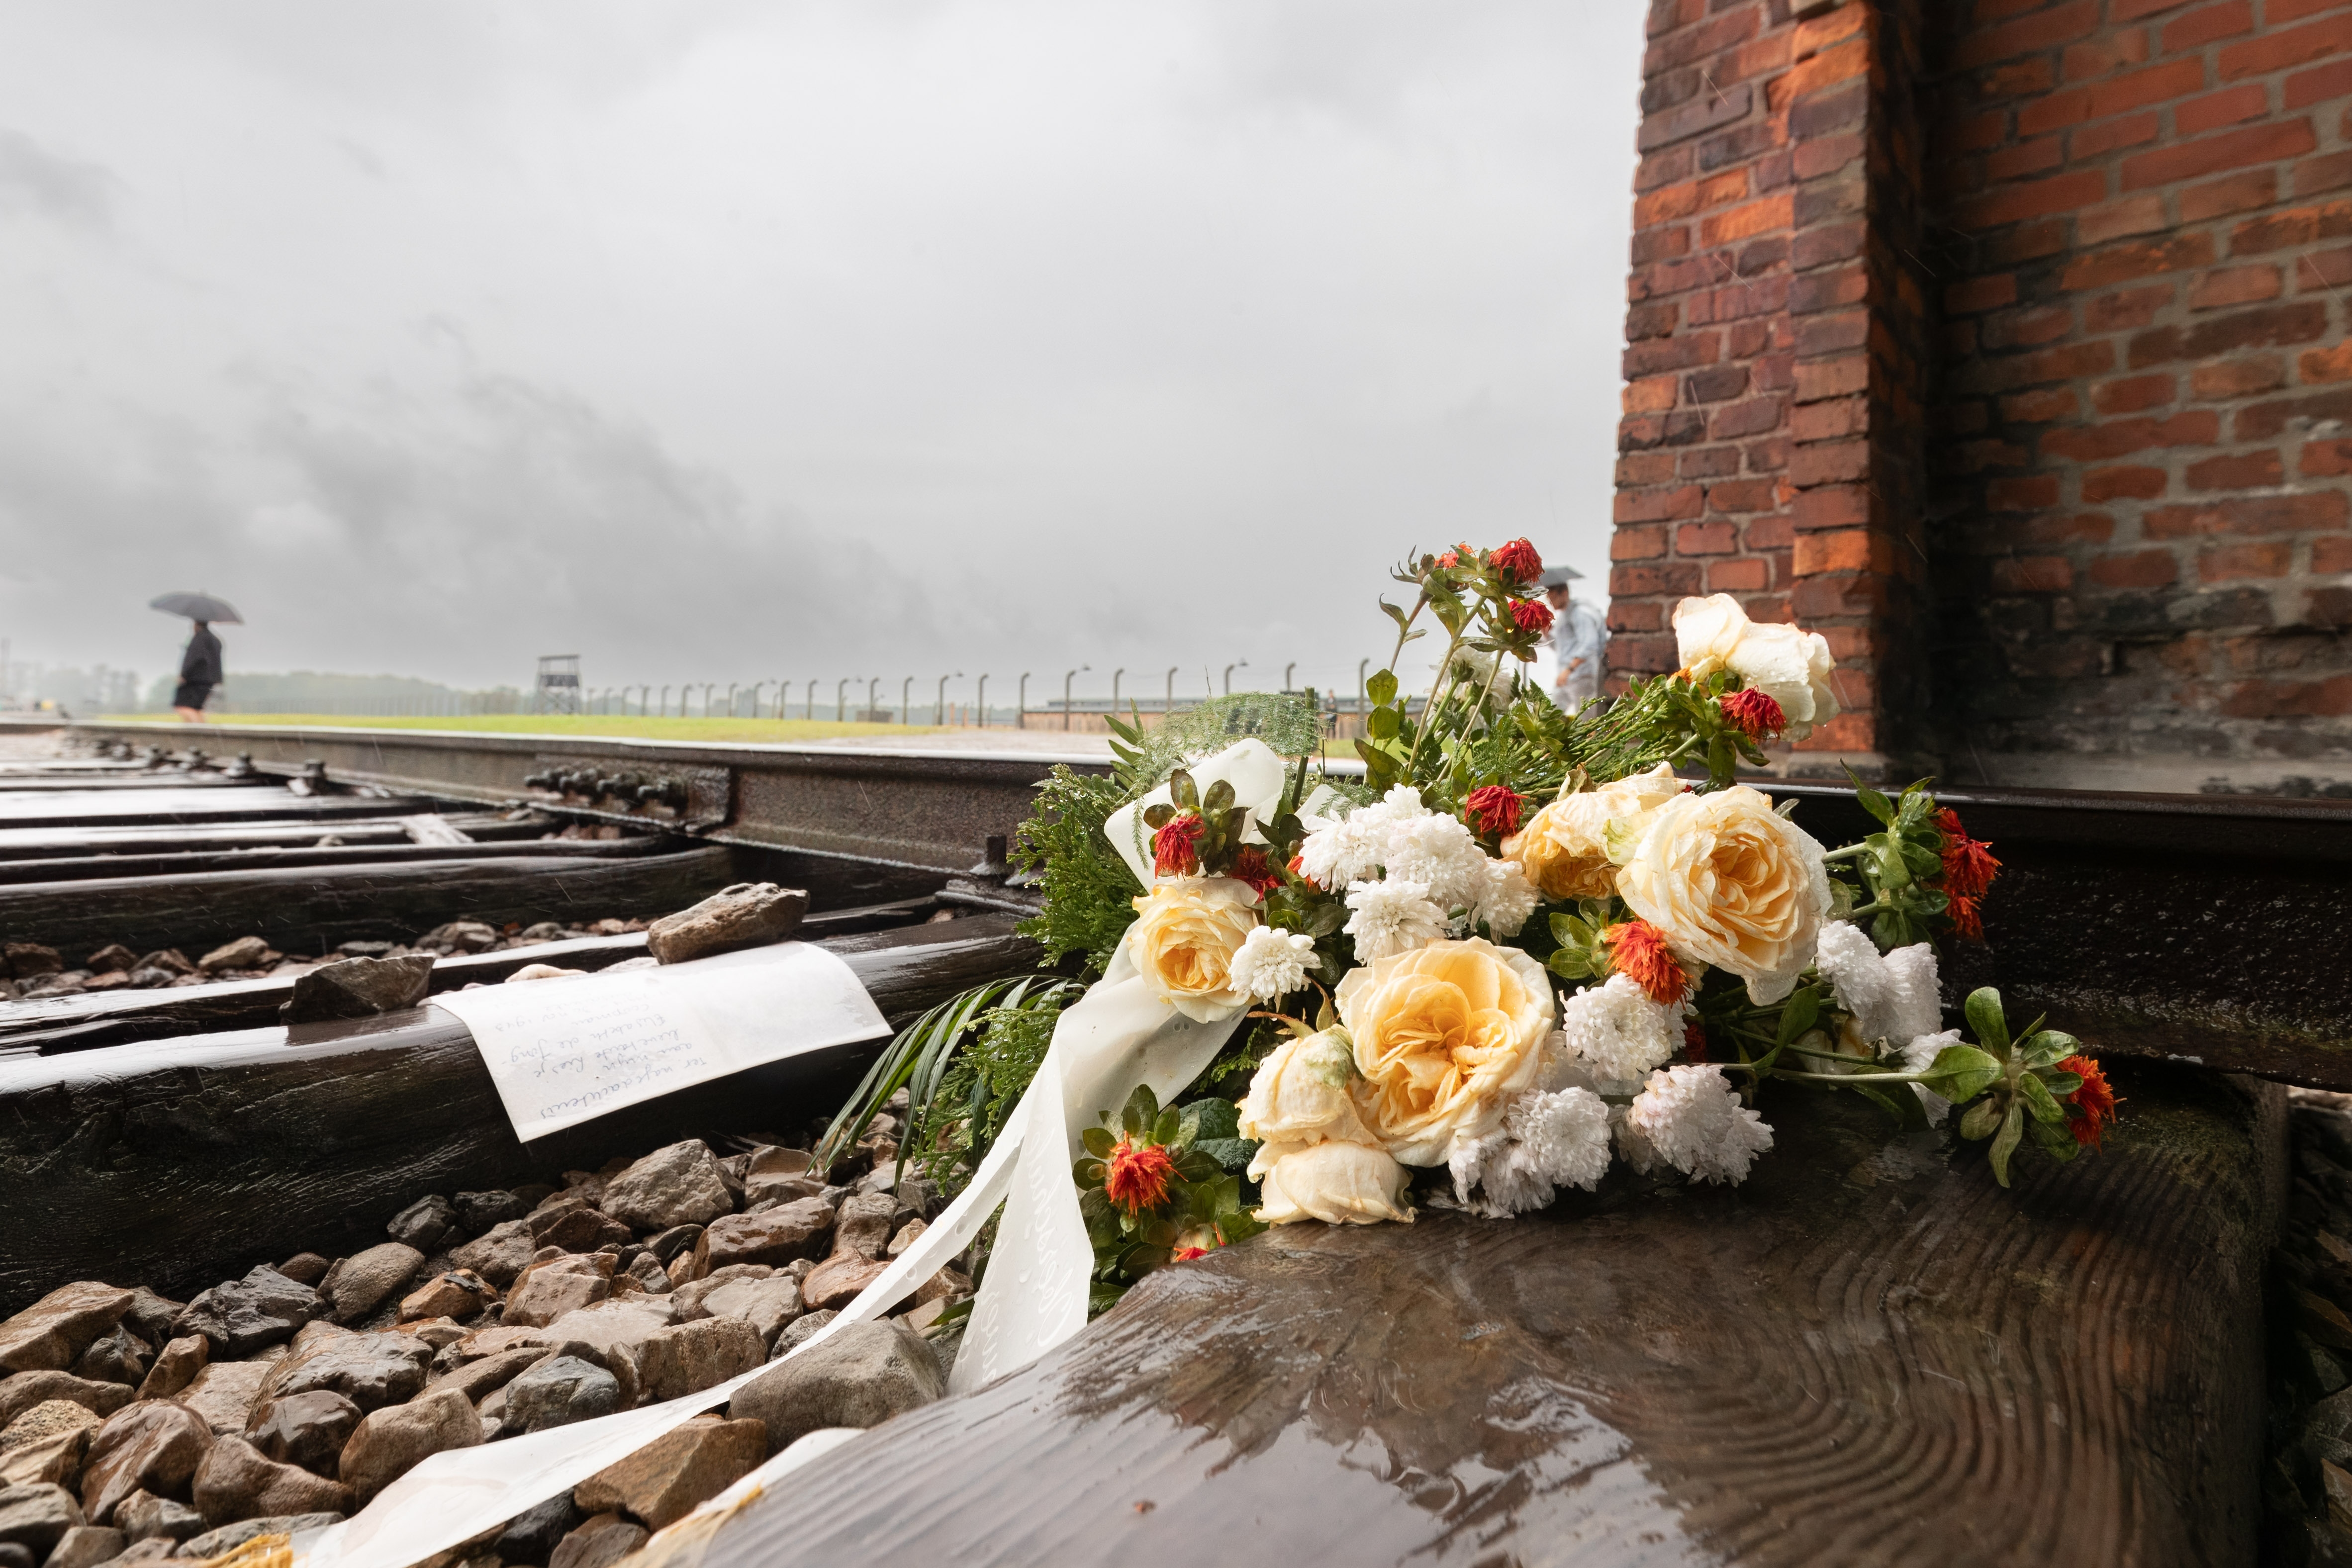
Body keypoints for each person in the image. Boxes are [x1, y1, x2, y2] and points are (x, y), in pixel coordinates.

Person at [1540, 565, 1607, 714]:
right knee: (1551, 716)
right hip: (1566, 676)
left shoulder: (1580, 613)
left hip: (1582, 675)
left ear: (1564, 592)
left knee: (1585, 720)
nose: (1550, 601)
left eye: (1552, 596)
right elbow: (1561, 648)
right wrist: (1547, 635)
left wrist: (1569, 669)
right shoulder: (1563, 616)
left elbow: (1590, 644)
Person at [174, 620, 223, 722]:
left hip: (195, 681)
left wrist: (183, 675)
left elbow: (192, 659)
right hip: (210, 681)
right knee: (197, 708)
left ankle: (198, 732)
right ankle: (200, 733)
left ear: (196, 625)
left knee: (183, 706)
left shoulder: (199, 639)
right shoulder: (216, 640)